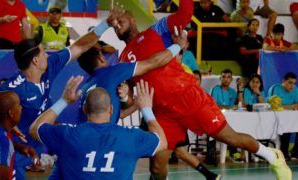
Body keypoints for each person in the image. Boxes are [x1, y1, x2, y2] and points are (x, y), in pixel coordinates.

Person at [113, 0, 292, 178]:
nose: (116, 24)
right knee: (157, 168)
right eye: (114, 24)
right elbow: (128, 100)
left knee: (230, 138)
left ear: (133, 19)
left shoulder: (155, 31)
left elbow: (185, 13)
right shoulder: (122, 60)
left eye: (120, 19)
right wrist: (123, 97)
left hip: (189, 97)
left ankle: (272, 155)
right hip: (164, 112)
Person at [0, 11, 121, 179]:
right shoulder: (15, 87)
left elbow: (79, 46)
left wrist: (105, 24)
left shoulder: (49, 67)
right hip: (14, 154)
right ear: (35, 61)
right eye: (43, 52)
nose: (47, 55)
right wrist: (7, 123)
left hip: (33, 148)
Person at [29, 77, 167, 179]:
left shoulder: (68, 134)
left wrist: (64, 101)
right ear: (111, 110)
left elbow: (35, 128)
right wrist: (146, 109)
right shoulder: (130, 136)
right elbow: (162, 142)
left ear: (84, 109)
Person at [76, 28, 186, 124]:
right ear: (101, 58)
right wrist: (178, 46)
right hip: (102, 141)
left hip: (82, 141)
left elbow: (120, 114)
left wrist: (138, 104)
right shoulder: (113, 72)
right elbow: (153, 62)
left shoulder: (84, 89)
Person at [268, 72, 298, 160]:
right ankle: (284, 153)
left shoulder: (295, 89)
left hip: (291, 118)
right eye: (290, 82)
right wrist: (291, 106)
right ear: (283, 81)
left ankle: (295, 152)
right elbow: (274, 105)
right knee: (285, 129)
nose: (292, 86)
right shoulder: (275, 88)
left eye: (294, 83)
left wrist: (285, 106)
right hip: (276, 118)